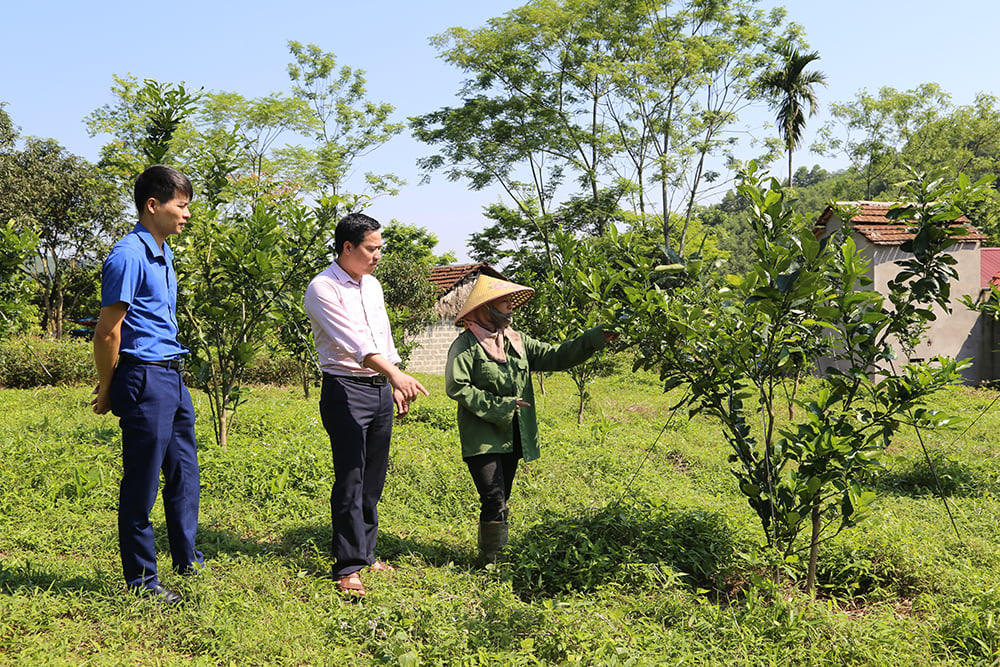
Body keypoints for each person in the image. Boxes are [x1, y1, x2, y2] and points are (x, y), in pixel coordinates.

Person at [445, 275, 615, 565]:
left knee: (502, 495)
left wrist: (596, 337)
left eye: (511, 301)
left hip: (513, 433)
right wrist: (501, 405)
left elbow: (558, 356)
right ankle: (491, 562)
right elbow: (456, 386)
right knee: (493, 497)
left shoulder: (517, 341)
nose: (511, 307)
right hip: (483, 436)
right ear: (486, 307)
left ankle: (496, 554)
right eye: (504, 301)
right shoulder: (466, 346)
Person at [92, 165, 203, 605]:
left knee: (185, 475)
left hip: (172, 375)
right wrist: (107, 387)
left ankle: (186, 559)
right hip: (143, 376)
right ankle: (141, 581)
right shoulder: (128, 256)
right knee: (143, 482)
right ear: (153, 206)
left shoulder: (161, 250)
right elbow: (107, 332)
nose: (187, 215)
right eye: (181, 205)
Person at [304, 212, 429, 599]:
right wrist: (395, 375)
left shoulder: (371, 286)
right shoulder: (323, 288)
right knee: (351, 476)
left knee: (373, 477)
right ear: (347, 247)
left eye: (379, 248)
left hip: (378, 390)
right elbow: (356, 344)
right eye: (371, 249)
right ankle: (348, 566)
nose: (377, 256)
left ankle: (367, 552)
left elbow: (382, 336)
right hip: (345, 389)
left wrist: (391, 382)